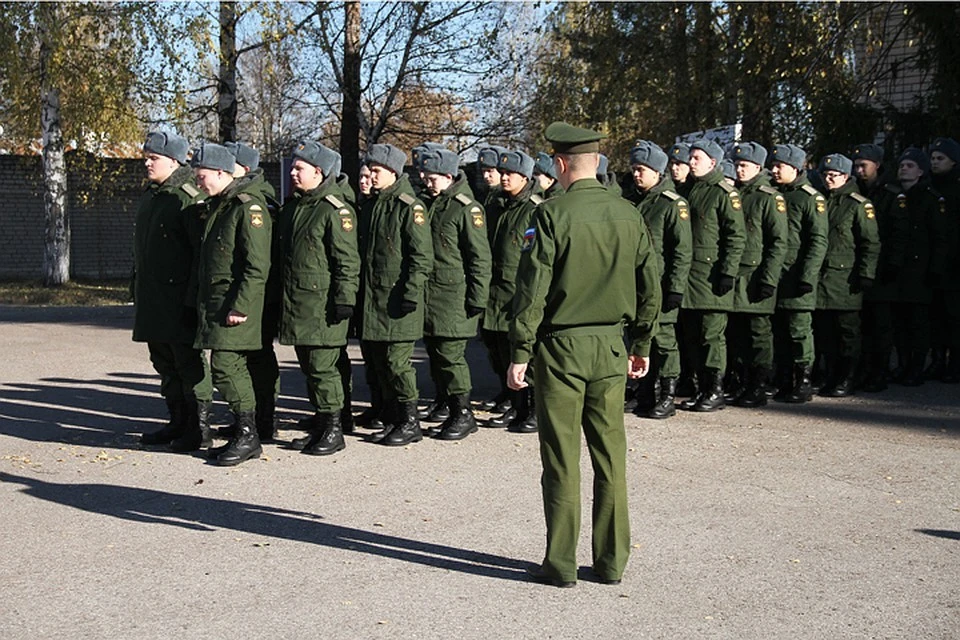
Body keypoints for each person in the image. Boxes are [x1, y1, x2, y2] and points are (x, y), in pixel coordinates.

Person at [507, 121, 661, 588]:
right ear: (597, 163)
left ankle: (561, 564)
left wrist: (519, 350)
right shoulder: (629, 214)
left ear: (559, 163)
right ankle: (612, 561)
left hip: (561, 348)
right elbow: (650, 287)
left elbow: (531, 291)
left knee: (561, 457)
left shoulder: (551, 215)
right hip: (612, 345)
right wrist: (641, 343)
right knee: (610, 456)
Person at [276, 142, 360, 456]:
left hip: (323, 305)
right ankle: (323, 424)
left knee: (324, 368)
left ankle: (334, 430)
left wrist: (344, 299)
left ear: (319, 172)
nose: (293, 173)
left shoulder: (334, 209)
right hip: (300, 304)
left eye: (300, 168)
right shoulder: (298, 206)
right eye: (293, 167)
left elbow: (347, 260)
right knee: (311, 367)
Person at [191, 142, 272, 466]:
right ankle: (244, 430)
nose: (198, 181)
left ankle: (249, 435)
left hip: (237, 306)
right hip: (218, 303)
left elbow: (257, 265)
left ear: (222, 173)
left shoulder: (246, 207)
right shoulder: (220, 204)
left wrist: (241, 306)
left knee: (226, 366)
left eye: (202, 175)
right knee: (226, 366)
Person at [133, 131, 213, 451]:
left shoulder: (188, 196)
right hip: (153, 296)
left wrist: (193, 297)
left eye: (154, 158)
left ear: (175, 161)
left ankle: (199, 427)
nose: (147, 163)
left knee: (187, 361)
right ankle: (178, 421)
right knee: (163, 361)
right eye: (146, 157)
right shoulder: (154, 194)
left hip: (179, 297)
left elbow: (200, 253)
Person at [357, 143, 434, 446]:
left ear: (392, 171)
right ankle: (392, 417)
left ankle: (410, 421)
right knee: (380, 363)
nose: (371, 176)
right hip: (374, 300)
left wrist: (411, 293)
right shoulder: (375, 204)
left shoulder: (408, 206)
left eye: (376, 171)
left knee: (398, 364)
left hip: (398, 300)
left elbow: (421, 257)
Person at [419, 147, 492, 440]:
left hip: (454, 296)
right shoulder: (433, 203)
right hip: (432, 295)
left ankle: (464, 413)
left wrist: (478, 297)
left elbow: (480, 257)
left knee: (451, 357)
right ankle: (449, 408)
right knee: (438, 354)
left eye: (433, 177)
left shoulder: (466, 208)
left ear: (449, 176)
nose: (427, 181)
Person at [677, 139, 746, 412]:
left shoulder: (724, 193)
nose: (691, 162)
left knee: (711, 335)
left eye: (696, 158)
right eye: (691, 158)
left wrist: (728, 272)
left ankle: (715, 389)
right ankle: (701, 387)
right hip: (689, 276)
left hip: (711, 275)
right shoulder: (688, 190)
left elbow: (735, 236)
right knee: (692, 335)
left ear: (713, 162)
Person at [871, 148, 949, 386]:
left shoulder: (931, 199)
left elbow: (939, 238)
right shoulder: (890, 195)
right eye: (902, 165)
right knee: (899, 322)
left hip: (920, 269)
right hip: (897, 268)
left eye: (910, 166)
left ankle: (915, 367)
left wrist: (935, 269)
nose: (904, 169)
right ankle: (903, 365)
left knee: (918, 323)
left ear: (921, 171)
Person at [222, 141, 281, 443]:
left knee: (258, 358)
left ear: (243, 169)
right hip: (254, 293)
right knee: (250, 359)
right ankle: (255, 420)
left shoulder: (256, 203)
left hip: (260, 296)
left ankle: (264, 419)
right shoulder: (237, 199)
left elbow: (257, 260)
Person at [628, 141, 692, 419]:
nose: (636, 174)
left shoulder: (672, 204)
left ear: (656, 171)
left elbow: (682, 250)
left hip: (661, 285)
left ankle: (667, 394)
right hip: (635, 285)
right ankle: (644, 392)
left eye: (641, 169)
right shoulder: (631, 201)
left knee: (665, 341)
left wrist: (675, 288)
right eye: (633, 169)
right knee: (641, 337)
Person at [481, 149, 542, 433]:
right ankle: (514, 403)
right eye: (502, 173)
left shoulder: (535, 209)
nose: (504, 177)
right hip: (494, 291)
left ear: (525, 177)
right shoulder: (495, 205)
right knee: (498, 351)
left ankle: (531, 409)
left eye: (510, 174)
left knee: (522, 353)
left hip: (519, 293)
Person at [726, 142, 788, 407]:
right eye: (737, 165)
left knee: (759, 332)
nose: (739, 170)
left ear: (757, 168)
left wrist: (769, 279)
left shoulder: (769, 197)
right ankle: (741, 382)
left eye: (745, 166)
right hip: (736, 275)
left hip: (756, 275)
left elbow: (778, 242)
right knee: (737, 332)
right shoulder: (733, 195)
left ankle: (759, 384)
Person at [813, 153, 880, 397]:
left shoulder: (858, 204)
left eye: (834, 175)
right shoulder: (820, 200)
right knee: (825, 331)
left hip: (846, 277)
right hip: (821, 277)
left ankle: (848, 376)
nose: (828, 179)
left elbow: (870, 243)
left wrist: (866, 274)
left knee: (847, 331)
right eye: (825, 175)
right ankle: (830, 374)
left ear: (846, 176)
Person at [769, 144, 828, 403]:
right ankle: (784, 379)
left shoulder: (810, 198)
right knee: (780, 331)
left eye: (779, 166)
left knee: (799, 330)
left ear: (795, 168)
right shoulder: (775, 194)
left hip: (797, 276)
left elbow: (818, 241)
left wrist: (807, 276)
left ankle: (803, 381)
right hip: (776, 274)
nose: (774, 170)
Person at [926, 137, 960, 383]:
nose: (935, 163)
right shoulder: (929, 187)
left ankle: (955, 364)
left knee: (954, 316)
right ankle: (937, 360)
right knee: (935, 318)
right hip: (932, 261)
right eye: (933, 158)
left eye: (941, 159)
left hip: (955, 264)